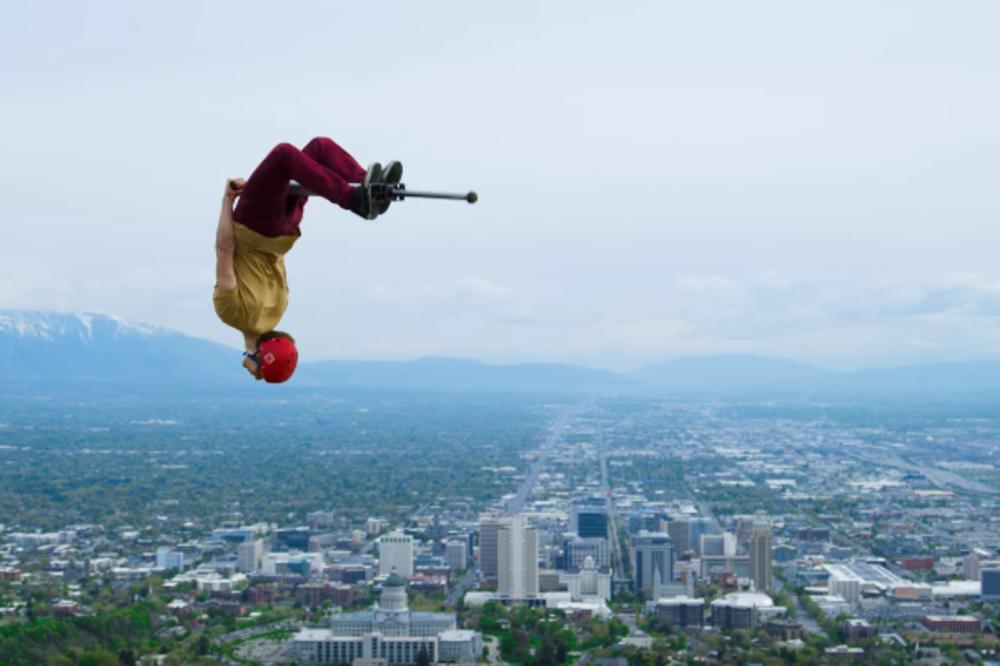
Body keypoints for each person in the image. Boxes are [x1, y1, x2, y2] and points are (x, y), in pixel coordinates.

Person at [213, 137, 401, 382]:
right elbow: (224, 248)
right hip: (254, 225)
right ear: (262, 356)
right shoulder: (230, 313)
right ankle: (356, 199)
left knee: (319, 149)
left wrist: (269, 188)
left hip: (284, 229)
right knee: (284, 155)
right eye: (258, 373)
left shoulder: (277, 310)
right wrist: (228, 200)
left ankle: (367, 186)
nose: (253, 375)